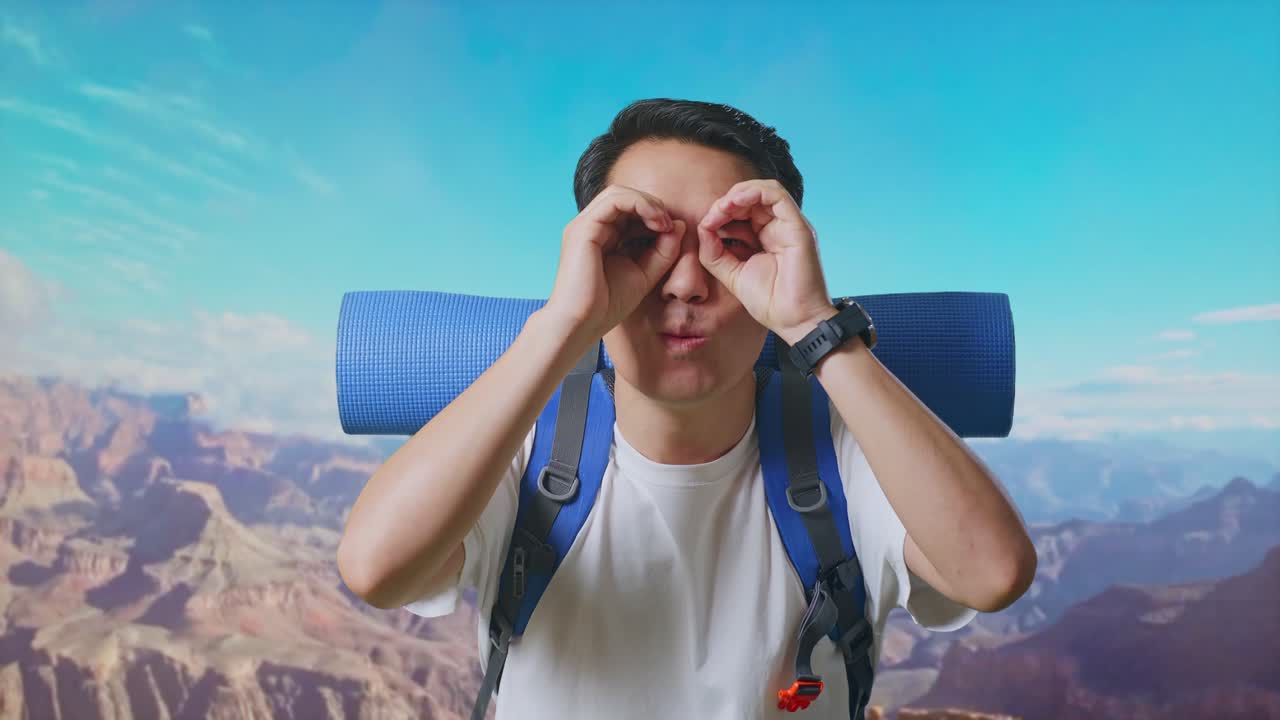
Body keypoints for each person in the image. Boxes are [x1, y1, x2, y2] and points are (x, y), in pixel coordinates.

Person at [337, 98, 1037, 719]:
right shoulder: (524, 449)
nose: (685, 283)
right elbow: (376, 569)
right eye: (639, 243)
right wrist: (563, 325)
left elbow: (992, 573)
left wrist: (813, 325)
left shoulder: (844, 453)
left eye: (730, 244)